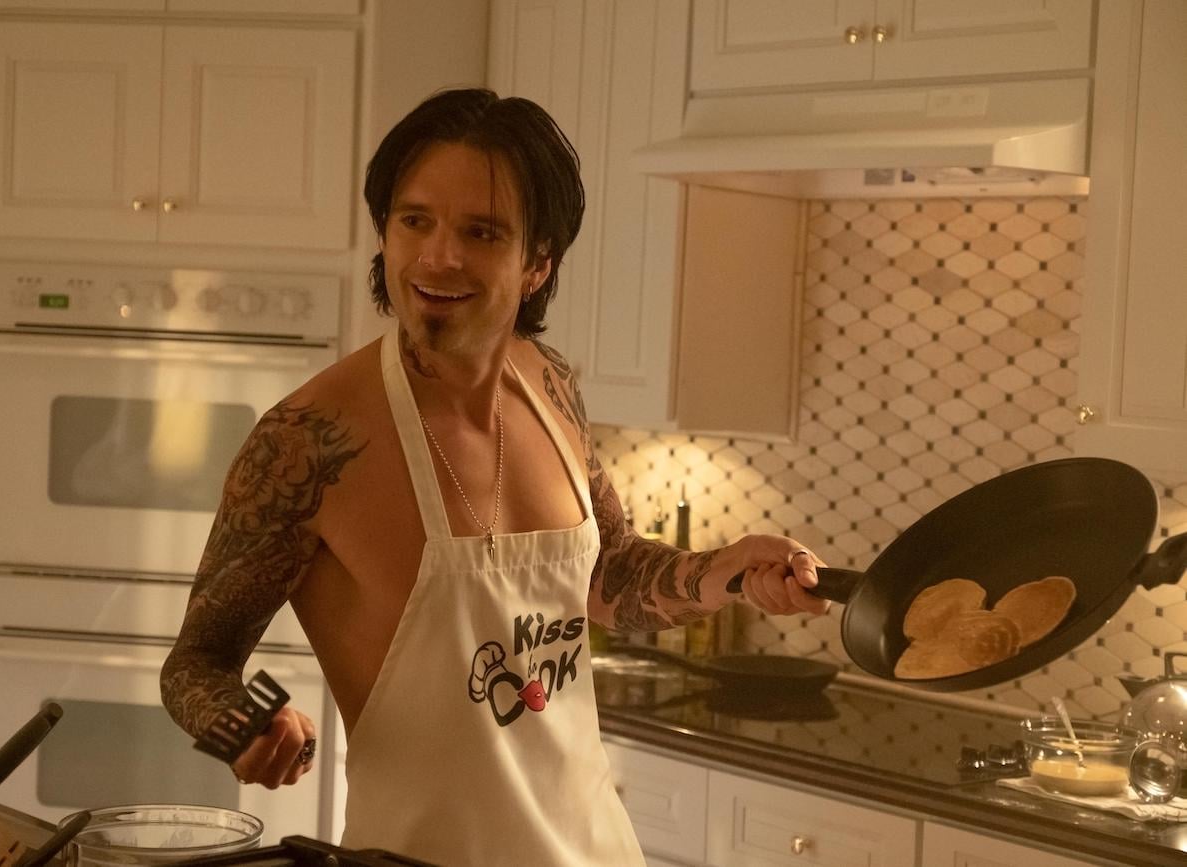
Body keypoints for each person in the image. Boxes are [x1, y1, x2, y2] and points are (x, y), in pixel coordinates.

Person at [160, 87, 830, 866]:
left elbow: (605, 574)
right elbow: (196, 662)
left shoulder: (549, 385)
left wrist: (728, 570)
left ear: (538, 262)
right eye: (415, 221)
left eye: (480, 232)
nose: (439, 256)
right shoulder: (308, 440)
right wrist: (242, 726)